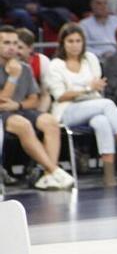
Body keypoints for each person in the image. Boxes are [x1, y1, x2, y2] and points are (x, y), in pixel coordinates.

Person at [45, 23, 117, 186]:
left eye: (78, 41)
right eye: (70, 41)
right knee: (107, 104)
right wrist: (87, 88)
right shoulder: (55, 65)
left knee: (102, 121)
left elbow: (98, 85)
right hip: (67, 110)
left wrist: (85, 90)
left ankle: (109, 176)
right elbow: (60, 95)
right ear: (62, 43)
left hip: (92, 105)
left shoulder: (90, 59)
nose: (75, 45)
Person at [0, 25, 75, 190]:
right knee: (23, 124)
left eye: (14, 43)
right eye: (6, 43)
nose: (12, 47)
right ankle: (55, 170)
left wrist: (18, 104)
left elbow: (34, 100)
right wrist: (13, 77)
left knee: (50, 121)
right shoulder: (16, 70)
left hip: (19, 109)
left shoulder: (24, 68)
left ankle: (49, 175)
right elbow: (2, 100)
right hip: (2, 115)